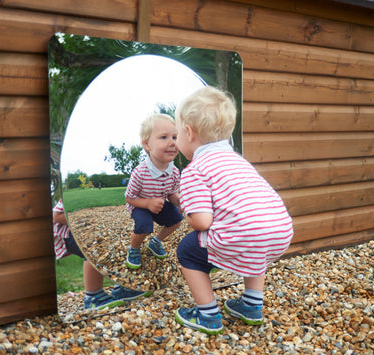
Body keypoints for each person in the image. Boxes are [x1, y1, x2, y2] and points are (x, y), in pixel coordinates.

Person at [173, 86, 294, 334]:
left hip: (246, 234)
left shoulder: (195, 169)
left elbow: (203, 222)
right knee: (255, 241)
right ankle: (251, 305)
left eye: (176, 135)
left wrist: (187, 211)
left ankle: (207, 315)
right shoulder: (239, 161)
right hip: (280, 232)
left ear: (188, 132)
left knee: (187, 250)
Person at [53, 199, 151, 310]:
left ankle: (122, 287)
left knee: (117, 241)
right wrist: (88, 222)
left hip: (73, 229)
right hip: (64, 232)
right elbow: (56, 216)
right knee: (94, 248)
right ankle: (93, 297)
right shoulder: (67, 199)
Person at [124, 113, 184, 269]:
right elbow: (129, 198)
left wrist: (178, 202)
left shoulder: (174, 172)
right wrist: (148, 203)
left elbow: (171, 193)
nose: (172, 142)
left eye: (175, 137)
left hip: (158, 204)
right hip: (140, 205)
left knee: (176, 219)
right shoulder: (140, 172)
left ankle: (155, 242)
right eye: (164, 137)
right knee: (144, 224)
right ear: (147, 145)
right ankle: (134, 249)